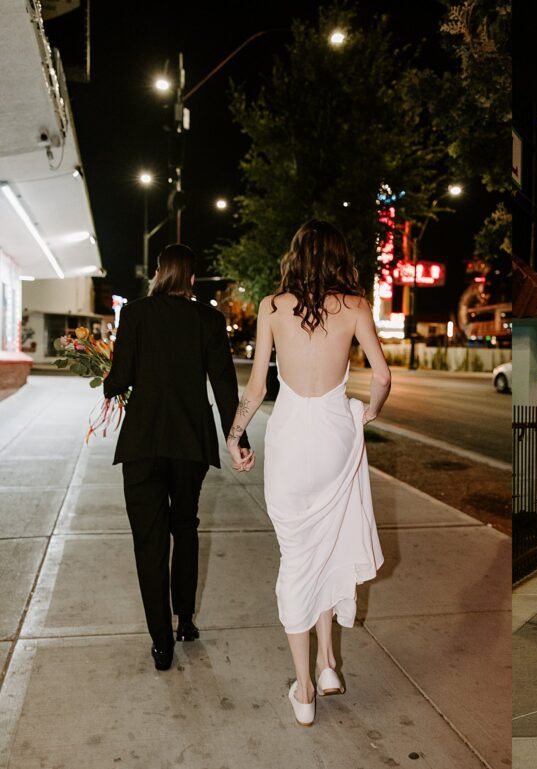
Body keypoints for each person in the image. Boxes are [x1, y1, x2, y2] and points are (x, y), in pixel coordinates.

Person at [224, 219, 391, 727]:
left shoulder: (273, 307)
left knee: (299, 555)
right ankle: (327, 663)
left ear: (295, 256)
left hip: (293, 437)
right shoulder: (357, 307)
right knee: (329, 543)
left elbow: (256, 389)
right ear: (340, 257)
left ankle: (304, 691)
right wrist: (370, 412)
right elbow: (382, 377)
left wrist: (234, 436)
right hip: (337, 435)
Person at [104, 244, 250, 671]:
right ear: (190, 278)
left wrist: (106, 381)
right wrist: (236, 438)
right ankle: (185, 620)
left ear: (157, 273)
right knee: (185, 527)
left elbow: (120, 379)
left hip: (143, 444)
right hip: (191, 443)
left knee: (149, 541)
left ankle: (162, 643)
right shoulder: (209, 319)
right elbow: (225, 384)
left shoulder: (135, 314)